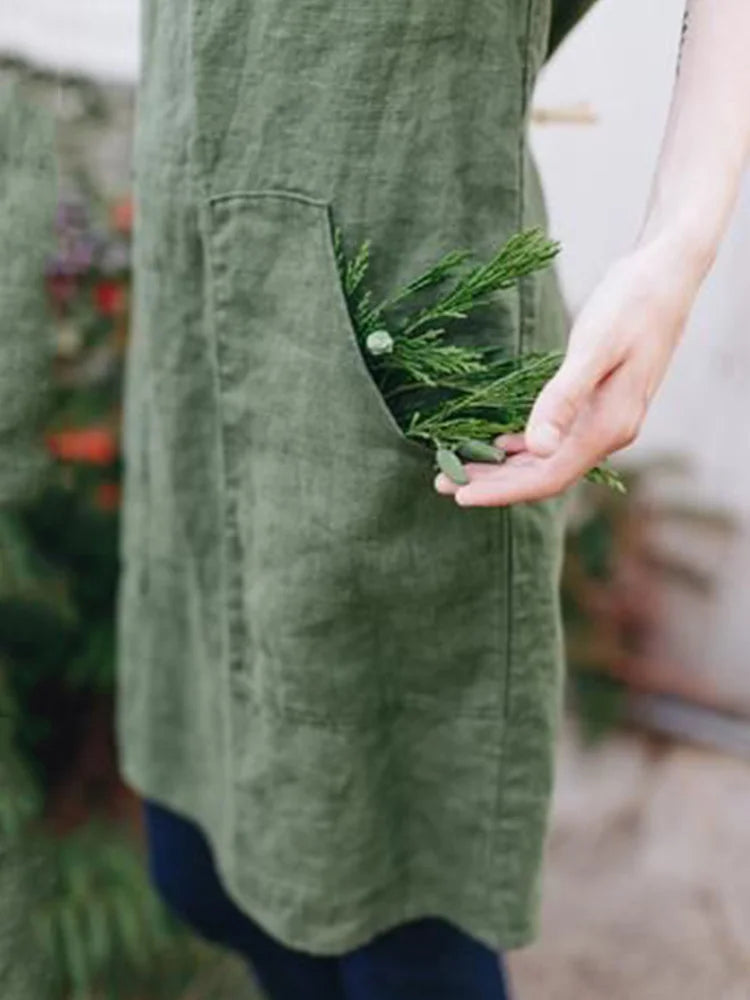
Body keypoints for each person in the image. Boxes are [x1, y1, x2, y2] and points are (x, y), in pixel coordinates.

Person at [115, 1, 750, 998]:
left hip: (393, 316)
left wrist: (679, 243)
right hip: (195, 290)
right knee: (201, 864)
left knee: (397, 914)